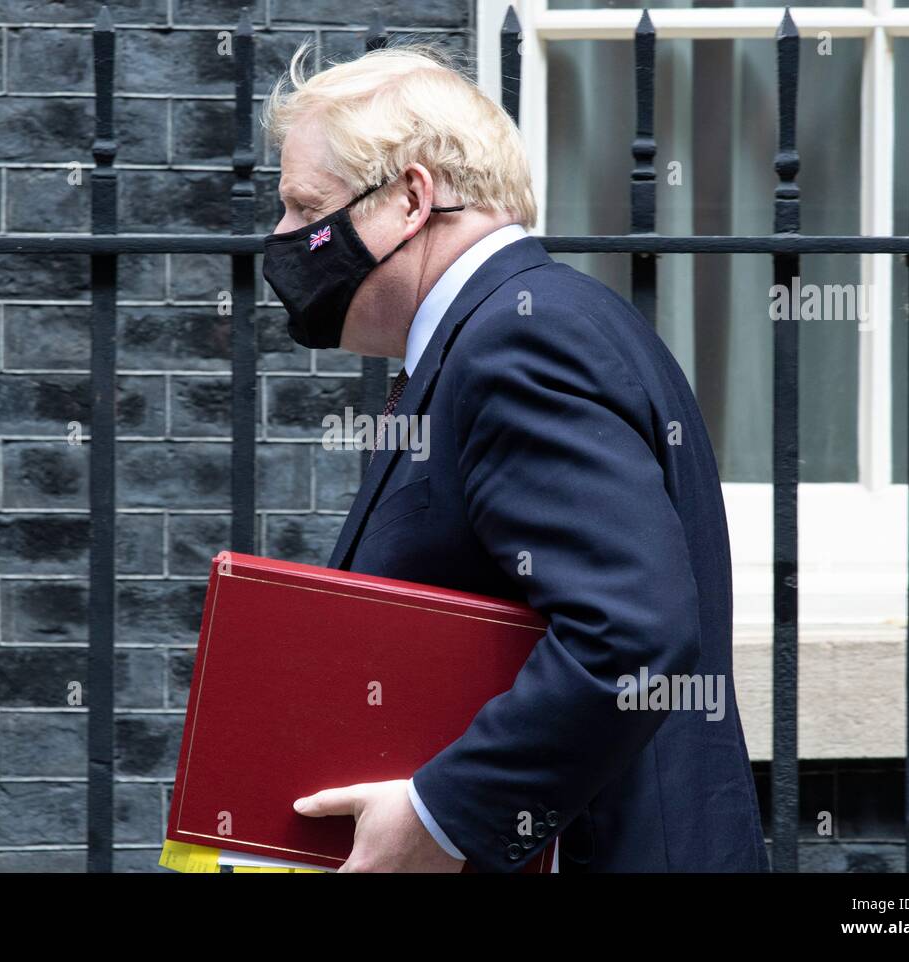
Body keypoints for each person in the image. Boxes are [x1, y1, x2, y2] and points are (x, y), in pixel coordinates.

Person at [261, 44, 769, 874]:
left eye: (302, 207)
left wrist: (440, 817)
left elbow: (632, 633)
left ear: (411, 199)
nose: (283, 238)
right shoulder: (523, 325)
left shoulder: (519, 338)